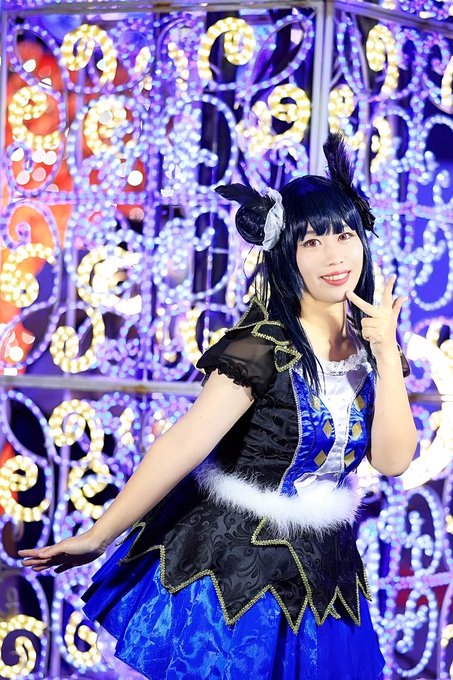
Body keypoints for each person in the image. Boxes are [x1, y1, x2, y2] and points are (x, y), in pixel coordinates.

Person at [19, 133, 417, 680]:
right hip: (233, 573)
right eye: (311, 241)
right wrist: (98, 534)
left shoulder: (376, 347)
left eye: (344, 235)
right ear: (286, 254)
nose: (334, 256)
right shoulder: (260, 347)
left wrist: (387, 354)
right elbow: (185, 442)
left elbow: (393, 460)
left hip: (326, 577)